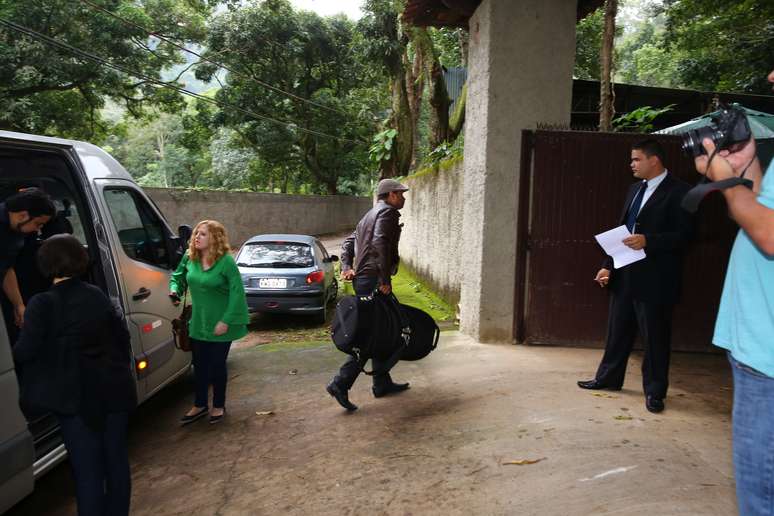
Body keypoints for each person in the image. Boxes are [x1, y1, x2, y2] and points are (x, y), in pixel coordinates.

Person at [693, 69, 774, 516]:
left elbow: (770, 235)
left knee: (761, 498)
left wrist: (725, 184)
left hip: (769, 359)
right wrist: (747, 167)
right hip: (756, 347)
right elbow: (762, 203)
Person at [13, 235, 137, 516]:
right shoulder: (95, 294)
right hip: (114, 391)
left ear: (45, 264)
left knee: (88, 473)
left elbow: (24, 352)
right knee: (116, 462)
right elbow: (120, 337)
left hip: (75, 400)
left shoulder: (41, 303)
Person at [577, 139, 693, 413]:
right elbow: (623, 230)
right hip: (625, 273)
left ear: (654, 160)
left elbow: (686, 237)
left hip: (657, 279)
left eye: (636, 159)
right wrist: (608, 264)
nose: (631, 164)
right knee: (617, 331)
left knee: (655, 337)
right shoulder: (634, 190)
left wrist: (649, 240)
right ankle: (608, 379)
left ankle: (654, 392)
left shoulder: (681, 192)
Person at [326, 179, 411, 411]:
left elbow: (347, 243)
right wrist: (384, 279)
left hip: (364, 281)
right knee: (369, 337)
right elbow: (380, 244)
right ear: (391, 195)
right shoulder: (387, 213)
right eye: (401, 194)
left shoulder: (368, 216)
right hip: (374, 281)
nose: (403, 198)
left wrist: (345, 266)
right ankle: (340, 383)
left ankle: (381, 383)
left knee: (383, 332)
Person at [169, 220, 249, 425]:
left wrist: (226, 321)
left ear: (215, 238)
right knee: (200, 366)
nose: (196, 237)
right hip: (198, 322)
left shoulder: (226, 262)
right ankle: (200, 404)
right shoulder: (190, 257)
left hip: (222, 323)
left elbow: (237, 293)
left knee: (216, 366)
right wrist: (175, 290)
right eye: (196, 233)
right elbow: (177, 277)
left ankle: (219, 405)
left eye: (202, 234)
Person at [0, 188, 55, 330]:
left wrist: (18, 305)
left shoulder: (15, 231)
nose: (38, 230)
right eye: (38, 224)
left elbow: (6, 268)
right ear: (23, 215)